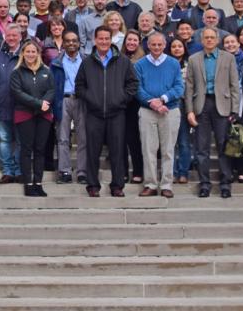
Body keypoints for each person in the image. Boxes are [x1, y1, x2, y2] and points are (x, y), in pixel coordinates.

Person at [75, 26, 139, 197]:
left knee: (117, 151)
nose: (103, 42)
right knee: (92, 151)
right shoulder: (87, 62)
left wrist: (121, 99)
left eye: (106, 39)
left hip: (117, 113)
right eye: (100, 39)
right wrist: (91, 99)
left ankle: (117, 185)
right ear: (95, 40)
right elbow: (79, 86)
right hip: (94, 114)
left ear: (111, 40)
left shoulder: (123, 61)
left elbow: (133, 84)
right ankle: (93, 186)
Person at [185, 27, 240, 198]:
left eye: (212, 38)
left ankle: (225, 184)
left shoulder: (228, 58)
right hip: (202, 106)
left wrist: (235, 109)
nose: (209, 40)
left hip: (222, 106)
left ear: (217, 40)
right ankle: (204, 184)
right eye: (206, 38)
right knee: (202, 149)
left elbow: (234, 85)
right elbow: (189, 87)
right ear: (202, 40)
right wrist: (189, 111)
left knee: (224, 147)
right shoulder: (194, 59)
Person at [134, 33, 184, 197]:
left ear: (164, 45)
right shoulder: (140, 64)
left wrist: (163, 99)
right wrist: (152, 102)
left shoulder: (173, 63)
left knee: (168, 149)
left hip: (169, 110)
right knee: (148, 149)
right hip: (147, 111)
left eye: (159, 45)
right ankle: (150, 184)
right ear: (148, 45)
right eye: (153, 45)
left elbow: (179, 87)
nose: (156, 48)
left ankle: (166, 185)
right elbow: (137, 88)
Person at [10, 40, 56, 197]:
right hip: (25, 114)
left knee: (40, 149)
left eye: (33, 51)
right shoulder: (17, 72)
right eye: (27, 51)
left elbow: (51, 89)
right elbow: (17, 93)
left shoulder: (46, 71)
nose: (30, 54)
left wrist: (45, 103)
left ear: (38, 53)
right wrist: (38, 103)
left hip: (43, 115)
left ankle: (38, 183)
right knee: (26, 149)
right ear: (23, 53)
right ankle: (28, 184)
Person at [0, 25, 23, 184]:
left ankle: (18, 170)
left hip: (22, 105)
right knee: (4, 139)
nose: (11, 38)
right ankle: (8, 171)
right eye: (9, 35)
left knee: (21, 139)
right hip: (2, 104)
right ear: (4, 37)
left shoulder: (26, 54)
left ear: (20, 37)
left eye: (14, 36)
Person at [53, 30, 86, 185]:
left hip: (82, 101)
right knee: (63, 138)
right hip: (63, 100)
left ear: (79, 42)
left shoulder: (87, 60)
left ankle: (82, 172)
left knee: (83, 138)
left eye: (74, 40)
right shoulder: (56, 62)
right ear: (63, 43)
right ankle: (64, 171)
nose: (71, 43)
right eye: (67, 41)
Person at [222, 33, 243, 183]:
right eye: (227, 42)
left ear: (239, 44)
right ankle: (228, 170)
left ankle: (242, 171)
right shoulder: (220, 60)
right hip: (225, 103)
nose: (230, 45)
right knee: (228, 139)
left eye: (233, 42)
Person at [167, 37, 194, 184]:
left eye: (179, 46)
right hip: (168, 104)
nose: (177, 49)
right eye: (173, 46)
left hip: (183, 104)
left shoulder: (190, 65)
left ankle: (183, 172)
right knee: (170, 141)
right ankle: (171, 172)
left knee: (183, 141)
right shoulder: (165, 64)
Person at [122, 31, 146, 185]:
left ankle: (138, 171)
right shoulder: (118, 58)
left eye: (134, 40)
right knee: (120, 139)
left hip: (136, 103)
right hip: (120, 102)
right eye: (129, 40)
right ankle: (122, 172)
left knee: (134, 139)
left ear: (139, 42)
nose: (131, 42)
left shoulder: (143, 60)